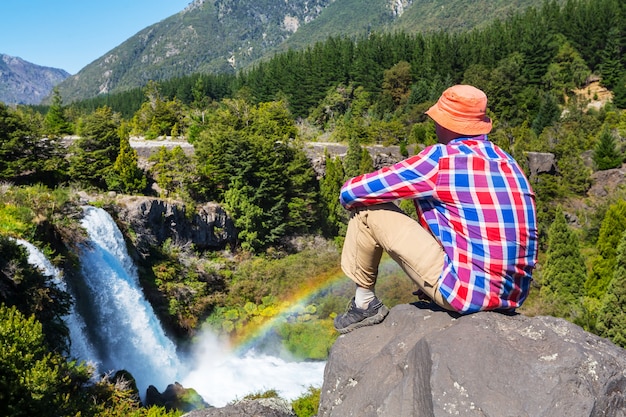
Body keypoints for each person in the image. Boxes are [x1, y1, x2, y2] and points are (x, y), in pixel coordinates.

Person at [333, 84, 538, 334]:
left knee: (366, 211)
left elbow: (352, 192)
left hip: (465, 294)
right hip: (512, 296)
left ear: (446, 124)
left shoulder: (440, 160)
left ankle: (364, 304)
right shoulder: (507, 161)